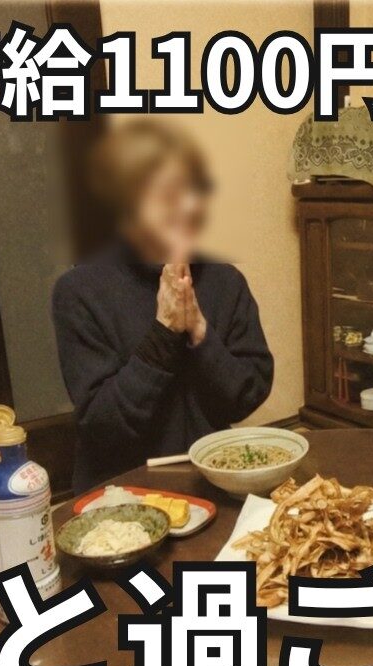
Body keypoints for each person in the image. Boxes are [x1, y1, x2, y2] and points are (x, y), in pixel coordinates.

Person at [52, 120, 273, 492]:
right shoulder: (79, 290)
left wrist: (201, 333)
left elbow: (246, 397)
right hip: (121, 491)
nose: (189, 206)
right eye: (170, 193)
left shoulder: (225, 280)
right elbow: (103, 426)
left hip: (212, 479)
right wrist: (164, 332)